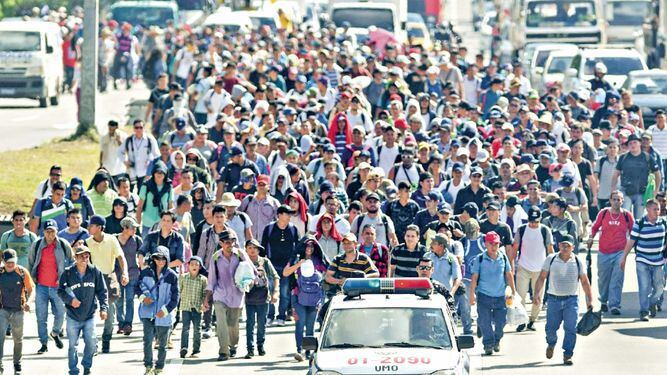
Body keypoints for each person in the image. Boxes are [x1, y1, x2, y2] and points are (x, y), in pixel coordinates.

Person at [533, 235, 593, 365]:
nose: (565, 248)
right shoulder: (551, 259)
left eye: (568, 245)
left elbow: (584, 282)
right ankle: (551, 343)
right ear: (558, 246)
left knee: (571, 328)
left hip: (571, 300)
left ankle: (568, 354)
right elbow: (542, 277)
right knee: (550, 328)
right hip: (553, 300)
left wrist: (589, 301)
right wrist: (536, 294)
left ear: (573, 247)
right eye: (562, 245)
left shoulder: (577, 261)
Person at [57, 245, 108, 375]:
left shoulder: (95, 271)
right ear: (75, 258)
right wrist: (70, 300)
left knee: (91, 343)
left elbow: (102, 291)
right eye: (81, 256)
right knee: (72, 346)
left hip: (89, 315)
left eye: (87, 256)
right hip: (72, 316)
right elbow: (60, 291)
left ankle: (86, 366)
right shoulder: (68, 273)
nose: (85, 259)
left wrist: (103, 308)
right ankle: (73, 371)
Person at [203, 230, 252, 361]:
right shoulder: (215, 257)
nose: (231, 245)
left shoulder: (240, 255)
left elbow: (250, 270)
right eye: (227, 242)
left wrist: (256, 280)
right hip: (220, 294)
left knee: (232, 324)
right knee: (221, 323)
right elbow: (212, 280)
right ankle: (223, 352)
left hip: (237, 296)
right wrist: (207, 299)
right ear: (221, 243)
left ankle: (233, 346)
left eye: (233, 242)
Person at [84, 215, 129, 354]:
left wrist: (124, 273)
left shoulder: (111, 240)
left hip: (108, 278)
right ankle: (93, 343)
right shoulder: (87, 242)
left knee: (109, 312)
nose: (89, 227)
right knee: (89, 313)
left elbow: (121, 258)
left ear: (99, 227)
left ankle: (106, 339)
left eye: (91, 225)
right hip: (93, 278)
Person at [28, 219, 73, 354]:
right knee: (41, 317)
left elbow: (71, 262)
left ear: (56, 231)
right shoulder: (36, 245)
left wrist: (66, 279)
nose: (50, 234)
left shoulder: (63, 245)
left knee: (60, 313)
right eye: (47, 231)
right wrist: (31, 280)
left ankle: (55, 332)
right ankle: (43, 343)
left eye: (52, 231)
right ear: (43, 232)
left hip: (58, 287)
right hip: (41, 286)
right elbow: (30, 263)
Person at [469, 231, 516, 356]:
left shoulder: (503, 257)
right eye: (491, 243)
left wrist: (513, 291)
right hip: (484, 296)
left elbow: (509, 274)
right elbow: (474, 277)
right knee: (485, 322)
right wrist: (472, 294)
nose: (494, 246)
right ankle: (488, 344)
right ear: (485, 244)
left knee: (501, 322)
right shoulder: (479, 259)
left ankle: (497, 339)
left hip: (500, 296)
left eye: (496, 243)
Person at [508, 206, 554, 331]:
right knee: (520, 296)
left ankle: (532, 320)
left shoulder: (545, 230)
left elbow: (550, 250)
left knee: (537, 296)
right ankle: (522, 320)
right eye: (531, 221)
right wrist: (510, 265)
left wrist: (551, 268)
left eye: (536, 221)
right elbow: (515, 248)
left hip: (540, 270)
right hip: (523, 267)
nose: (533, 224)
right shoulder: (521, 230)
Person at [620, 199, 666, 321]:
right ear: (647, 209)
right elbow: (631, 242)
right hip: (642, 260)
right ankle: (644, 311)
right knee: (644, 287)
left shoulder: (663, 223)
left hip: (658, 260)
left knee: (660, 287)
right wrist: (624, 257)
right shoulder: (639, 223)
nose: (657, 212)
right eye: (654, 209)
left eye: (658, 209)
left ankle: (652, 303)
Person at [136, 246, 179, 374]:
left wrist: (165, 311)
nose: (160, 261)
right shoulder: (145, 272)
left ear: (167, 259)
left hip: (164, 315)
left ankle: (159, 367)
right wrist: (143, 298)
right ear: (153, 259)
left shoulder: (172, 276)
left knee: (162, 344)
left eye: (163, 258)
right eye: (157, 258)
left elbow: (175, 298)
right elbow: (137, 287)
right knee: (147, 341)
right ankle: (148, 366)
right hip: (147, 313)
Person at [283, 236, 327, 361]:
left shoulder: (319, 260)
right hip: (297, 297)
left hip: (315, 298)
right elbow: (286, 273)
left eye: (312, 246)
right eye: (307, 246)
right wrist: (298, 264)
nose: (310, 248)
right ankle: (299, 350)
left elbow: (329, 271)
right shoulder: (296, 259)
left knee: (311, 325)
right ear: (303, 247)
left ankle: (309, 351)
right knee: (300, 323)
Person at [588, 191, 633, 315]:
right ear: (610, 200)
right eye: (614, 199)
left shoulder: (627, 215)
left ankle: (614, 305)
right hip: (604, 251)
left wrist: (632, 248)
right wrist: (591, 238)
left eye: (619, 200)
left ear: (622, 201)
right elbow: (595, 227)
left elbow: (634, 232)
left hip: (620, 252)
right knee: (603, 279)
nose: (616, 202)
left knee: (617, 279)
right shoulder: (603, 213)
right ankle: (603, 301)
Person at [260, 205, 300, 326]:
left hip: (287, 267)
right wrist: (264, 264)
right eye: (287, 214)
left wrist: (291, 263)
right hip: (272, 265)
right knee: (270, 291)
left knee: (285, 292)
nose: (289, 216)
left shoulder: (293, 229)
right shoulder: (269, 228)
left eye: (290, 214)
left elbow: (297, 248)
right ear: (279, 215)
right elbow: (263, 247)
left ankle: (281, 316)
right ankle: (270, 316)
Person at [611, 133, 661, 219]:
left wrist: (656, 190)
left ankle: (637, 232)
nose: (632, 145)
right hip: (625, 192)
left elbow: (658, 174)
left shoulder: (648, 157)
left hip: (641, 193)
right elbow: (615, 174)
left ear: (640, 143)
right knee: (625, 216)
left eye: (634, 142)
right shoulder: (623, 157)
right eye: (630, 143)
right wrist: (613, 191)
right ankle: (626, 232)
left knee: (639, 219)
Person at [244, 239, 279, 359]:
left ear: (259, 249)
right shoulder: (244, 262)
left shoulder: (265, 262)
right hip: (249, 298)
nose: (252, 250)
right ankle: (250, 348)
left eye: (254, 247)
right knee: (250, 324)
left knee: (261, 324)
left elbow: (275, 277)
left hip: (264, 298)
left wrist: (275, 292)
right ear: (246, 250)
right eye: (249, 247)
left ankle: (260, 345)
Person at [0, 249, 33, 375]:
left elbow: (31, 289)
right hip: (2, 309)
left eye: (13, 262)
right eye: (8, 262)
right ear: (3, 261)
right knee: (0, 337)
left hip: (18, 310)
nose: (10, 265)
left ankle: (17, 363)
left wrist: (29, 302)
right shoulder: (0, 272)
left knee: (18, 339)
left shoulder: (22, 272)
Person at [425, 234, 464, 328]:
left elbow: (457, 278)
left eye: (434, 243)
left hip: (445, 295)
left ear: (441, 246)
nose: (431, 245)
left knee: (446, 321)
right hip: (430, 293)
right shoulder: (427, 256)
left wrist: (451, 293)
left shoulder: (451, 258)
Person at [114, 217, 143, 335]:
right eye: (132, 227)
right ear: (124, 228)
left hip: (132, 273)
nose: (135, 230)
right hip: (117, 274)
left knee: (130, 299)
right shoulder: (114, 239)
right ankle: (120, 323)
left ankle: (128, 324)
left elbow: (142, 253)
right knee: (118, 300)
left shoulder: (137, 240)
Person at [178, 256, 208, 359]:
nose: (194, 266)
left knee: (197, 329)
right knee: (185, 328)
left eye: (196, 264)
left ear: (200, 267)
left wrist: (204, 304)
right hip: (186, 307)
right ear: (188, 266)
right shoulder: (183, 277)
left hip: (197, 308)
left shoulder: (203, 280)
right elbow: (179, 291)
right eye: (192, 264)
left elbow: (205, 294)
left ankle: (196, 350)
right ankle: (184, 348)